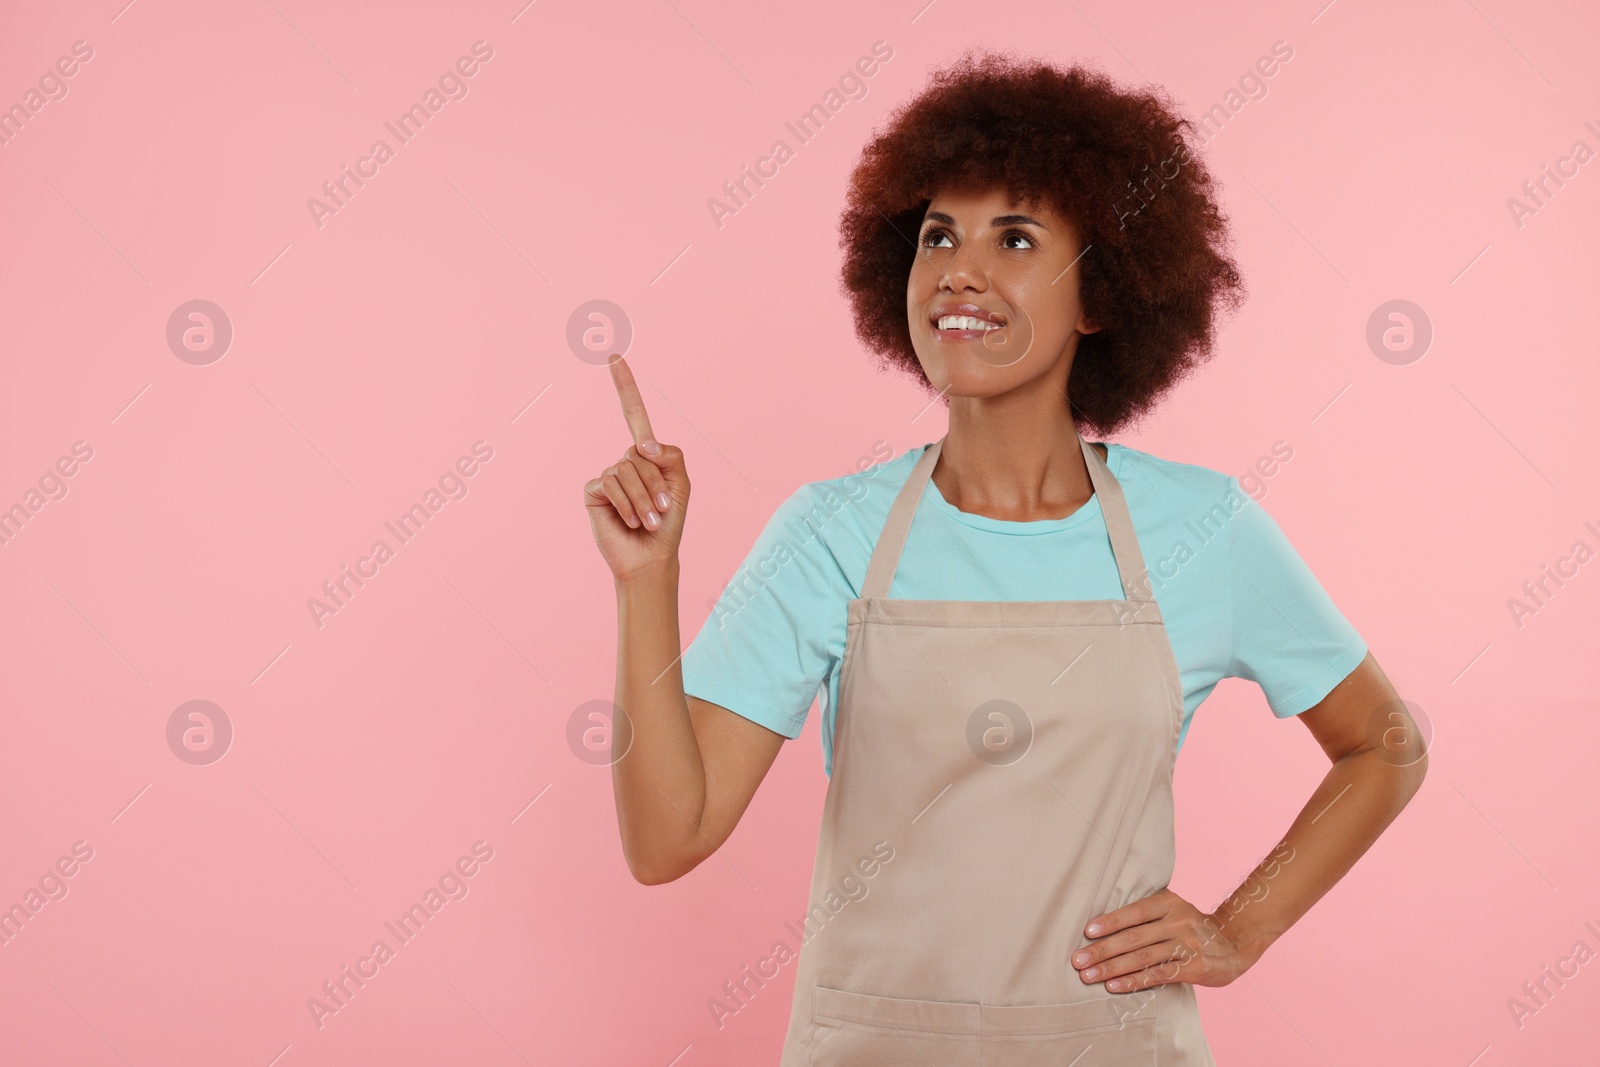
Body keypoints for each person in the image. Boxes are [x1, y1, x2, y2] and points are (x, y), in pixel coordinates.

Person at [584, 47, 1427, 1066]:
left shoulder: (1202, 527)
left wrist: (1236, 929)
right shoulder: (829, 531)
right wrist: (647, 581)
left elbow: (1385, 743)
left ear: (1100, 294)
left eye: (1014, 236)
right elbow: (667, 839)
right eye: (938, 234)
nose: (958, 270)